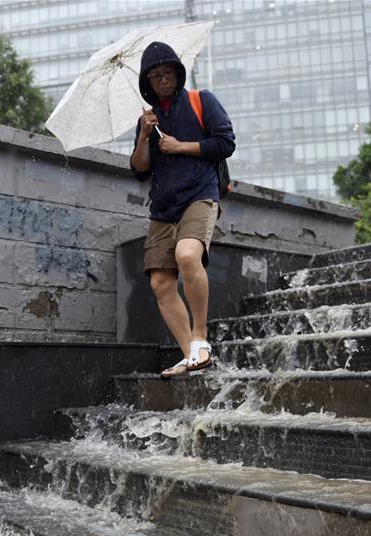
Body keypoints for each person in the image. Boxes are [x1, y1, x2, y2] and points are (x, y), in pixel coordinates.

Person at [130, 41, 236, 378]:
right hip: (163, 209)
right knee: (161, 283)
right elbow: (139, 169)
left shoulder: (201, 101)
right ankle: (191, 354)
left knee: (188, 256)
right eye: (155, 75)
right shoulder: (147, 120)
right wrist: (145, 136)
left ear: (177, 72)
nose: (162, 79)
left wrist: (180, 146)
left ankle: (201, 339)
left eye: (167, 72)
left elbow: (225, 142)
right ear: (147, 82)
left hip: (200, 196)